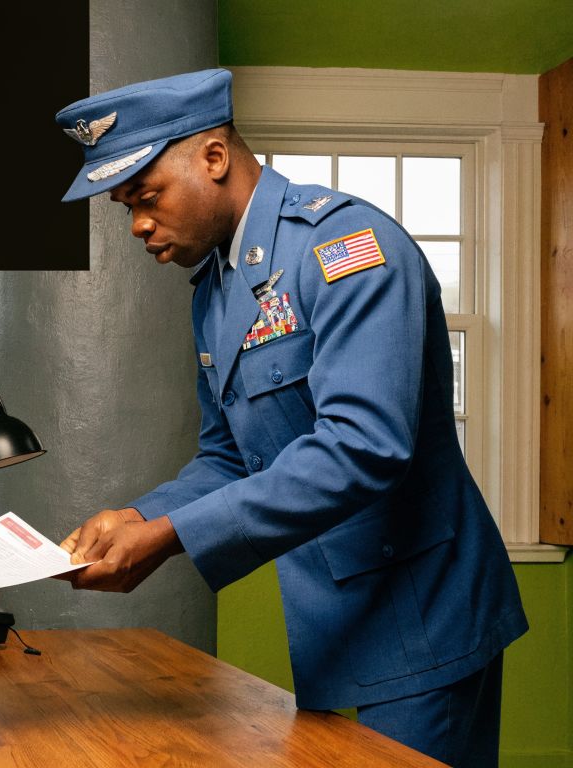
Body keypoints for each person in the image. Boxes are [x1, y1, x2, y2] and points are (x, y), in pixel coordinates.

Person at [52, 70, 527, 767]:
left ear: (214, 157)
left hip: (425, 618)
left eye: (145, 197)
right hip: (333, 621)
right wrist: (138, 515)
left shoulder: (349, 250)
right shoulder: (216, 290)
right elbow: (227, 457)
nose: (138, 225)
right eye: (126, 207)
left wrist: (170, 536)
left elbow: (363, 447)